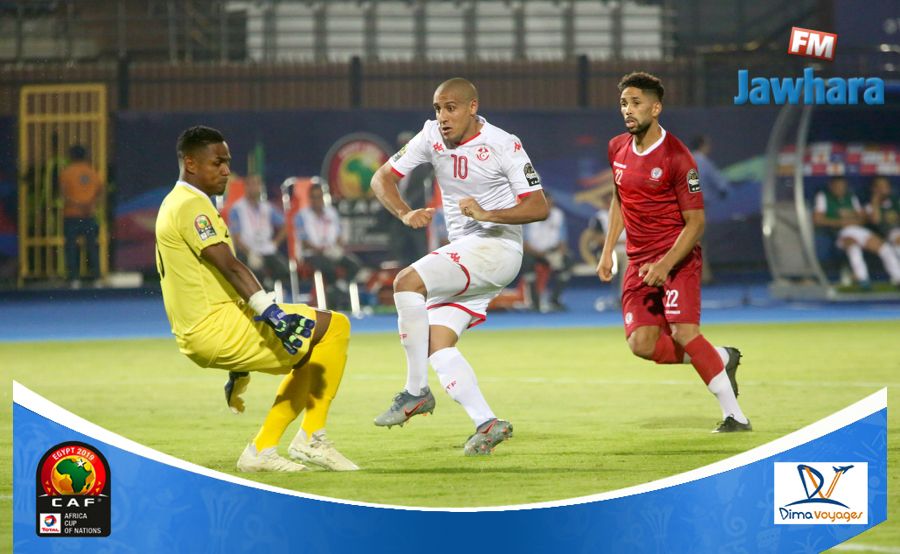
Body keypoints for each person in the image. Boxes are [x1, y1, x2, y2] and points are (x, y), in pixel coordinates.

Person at [155, 126, 358, 472]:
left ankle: (278, 445)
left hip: (208, 328)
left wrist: (239, 367)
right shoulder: (191, 206)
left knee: (315, 345)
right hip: (215, 328)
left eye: (227, 162)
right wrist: (272, 314)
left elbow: (210, 280)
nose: (226, 171)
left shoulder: (176, 203)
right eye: (217, 163)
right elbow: (230, 266)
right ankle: (298, 441)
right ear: (190, 163)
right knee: (334, 329)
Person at [370, 77, 548, 456]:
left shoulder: (503, 143)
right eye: (438, 108)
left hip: (496, 249)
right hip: (466, 253)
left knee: (406, 282)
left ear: (472, 107)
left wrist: (487, 214)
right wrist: (404, 213)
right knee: (434, 344)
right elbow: (381, 178)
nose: (443, 117)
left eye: (451, 108)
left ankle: (415, 392)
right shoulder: (430, 135)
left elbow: (538, 206)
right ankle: (487, 423)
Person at [596, 71, 750, 433]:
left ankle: (736, 417)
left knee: (684, 332)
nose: (628, 110)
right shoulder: (617, 147)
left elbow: (696, 223)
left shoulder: (678, 157)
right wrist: (607, 250)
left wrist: (666, 264)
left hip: (676, 259)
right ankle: (720, 357)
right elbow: (620, 198)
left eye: (636, 103)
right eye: (623, 103)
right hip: (638, 262)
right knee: (641, 344)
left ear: (656, 108)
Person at [813, 176, 900, 288]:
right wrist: (841, 222)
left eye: (843, 187)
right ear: (831, 186)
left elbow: (862, 218)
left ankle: (898, 278)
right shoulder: (823, 196)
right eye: (837, 187)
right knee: (853, 246)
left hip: (858, 229)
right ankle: (863, 279)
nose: (841, 189)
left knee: (885, 248)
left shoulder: (851, 196)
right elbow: (817, 219)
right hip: (841, 232)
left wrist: (850, 218)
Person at [294, 184, 363, 309]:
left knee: (354, 264)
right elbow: (303, 242)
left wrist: (339, 247)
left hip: (331, 250)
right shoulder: (302, 216)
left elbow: (339, 235)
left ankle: (338, 289)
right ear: (310, 199)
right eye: (314, 197)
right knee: (329, 267)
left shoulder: (332, 213)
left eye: (319, 197)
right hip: (312, 254)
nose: (317, 200)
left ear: (323, 198)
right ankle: (335, 297)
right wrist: (320, 250)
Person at [228, 174, 291, 291]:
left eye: (257, 184)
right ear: (246, 187)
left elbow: (285, 225)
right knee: (257, 271)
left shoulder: (267, 208)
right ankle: (263, 290)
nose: (255, 187)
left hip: (266, 249)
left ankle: (271, 287)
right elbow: (235, 237)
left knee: (284, 270)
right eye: (251, 184)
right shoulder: (237, 209)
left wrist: (275, 243)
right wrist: (249, 253)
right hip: (247, 251)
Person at [60, 144, 103, 287]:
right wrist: (88, 205)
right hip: (88, 215)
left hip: (71, 214)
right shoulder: (92, 172)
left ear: (71, 156)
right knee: (92, 246)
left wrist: (77, 205)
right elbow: (100, 192)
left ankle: (74, 279)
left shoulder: (66, 173)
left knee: (71, 248)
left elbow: (63, 194)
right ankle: (97, 278)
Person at [523, 192, 572, 312]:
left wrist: (560, 253)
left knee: (566, 262)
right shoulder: (527, 215)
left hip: (551, 252)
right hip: (533, 253)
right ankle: (534, 302)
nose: (548, 207)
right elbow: (524, 243)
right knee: (527, 262)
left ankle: (554, 300)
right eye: (545, 203)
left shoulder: (558, 215)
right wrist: (539, 253)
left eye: (550, 204)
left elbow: (562, 240)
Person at [388, 131, 432, 266]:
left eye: (405, 144)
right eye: (401, 145)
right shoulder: (395, 165)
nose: (403, 147)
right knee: (400, 252)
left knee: (420, 252)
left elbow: (422, 190)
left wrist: (409, 203)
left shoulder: (422, 167)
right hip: (399, 217)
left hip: (417, 215)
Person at [866, 176, 900, 259]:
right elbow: (876, 221)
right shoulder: (870, 206)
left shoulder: (895, 201)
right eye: (879, 187)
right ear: (874, 189)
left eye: (885, 186)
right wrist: (875, 202)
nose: (883, 189)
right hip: (886, 234)